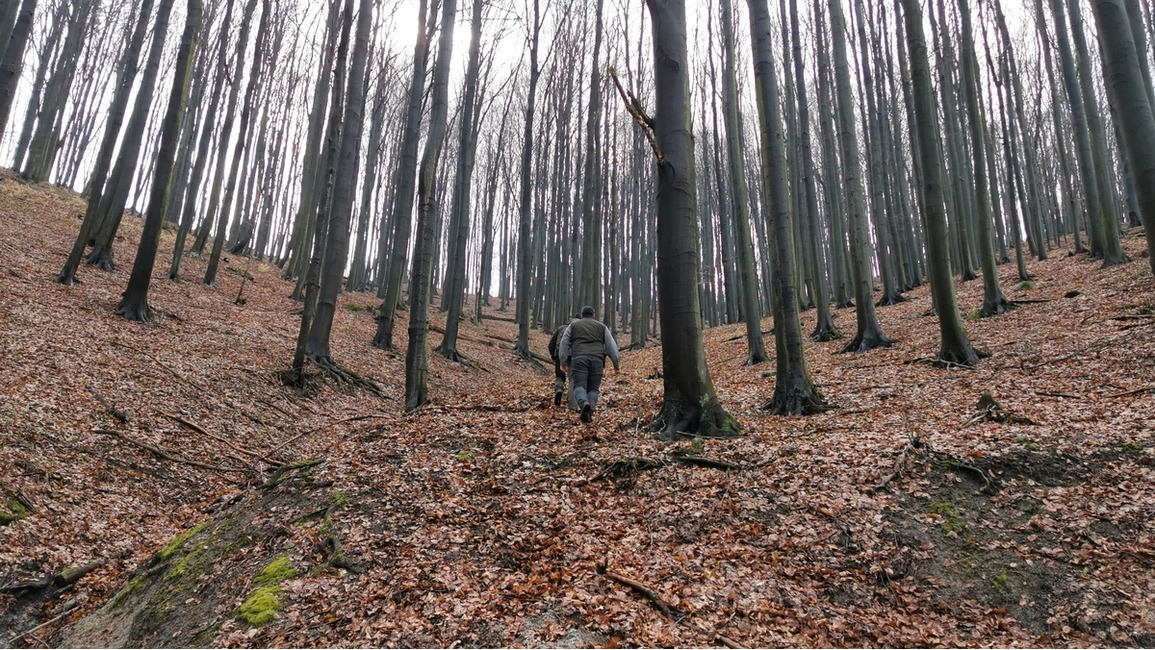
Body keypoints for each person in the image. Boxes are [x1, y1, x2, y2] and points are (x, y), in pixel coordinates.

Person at [559, 306, 621, 423]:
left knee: (579, 386)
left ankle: (583, 403)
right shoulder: (602, 327)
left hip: (579, 359)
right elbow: (611, 346)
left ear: (582, 315)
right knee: (593, 388)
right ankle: (589, 411)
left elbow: (564, 342)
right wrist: (616, 364)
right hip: (597, 360)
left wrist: (563, 361)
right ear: (594, 315)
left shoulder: (573, 325)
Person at [547, 324, 568, 406]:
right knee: (574, 379)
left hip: (559, 355)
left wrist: (554, 357)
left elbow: (551, 344)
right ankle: (572, 402)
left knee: (560, 376)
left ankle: (559, 389)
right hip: (573, 356)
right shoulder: (579, 329)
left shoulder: (561, 329)